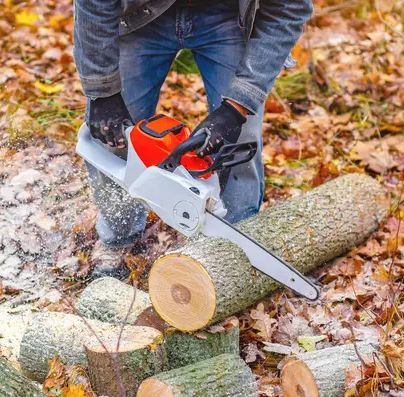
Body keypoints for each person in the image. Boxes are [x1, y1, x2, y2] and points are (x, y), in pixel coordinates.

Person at [73, 0, 313, 278]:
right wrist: (102, 89)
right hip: (141, 14)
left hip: (227, 14)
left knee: (240, 135)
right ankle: (118, 236)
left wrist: (236, 108)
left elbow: (289, 9)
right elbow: (93, 5)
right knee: (111, 135)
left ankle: (233, 245)